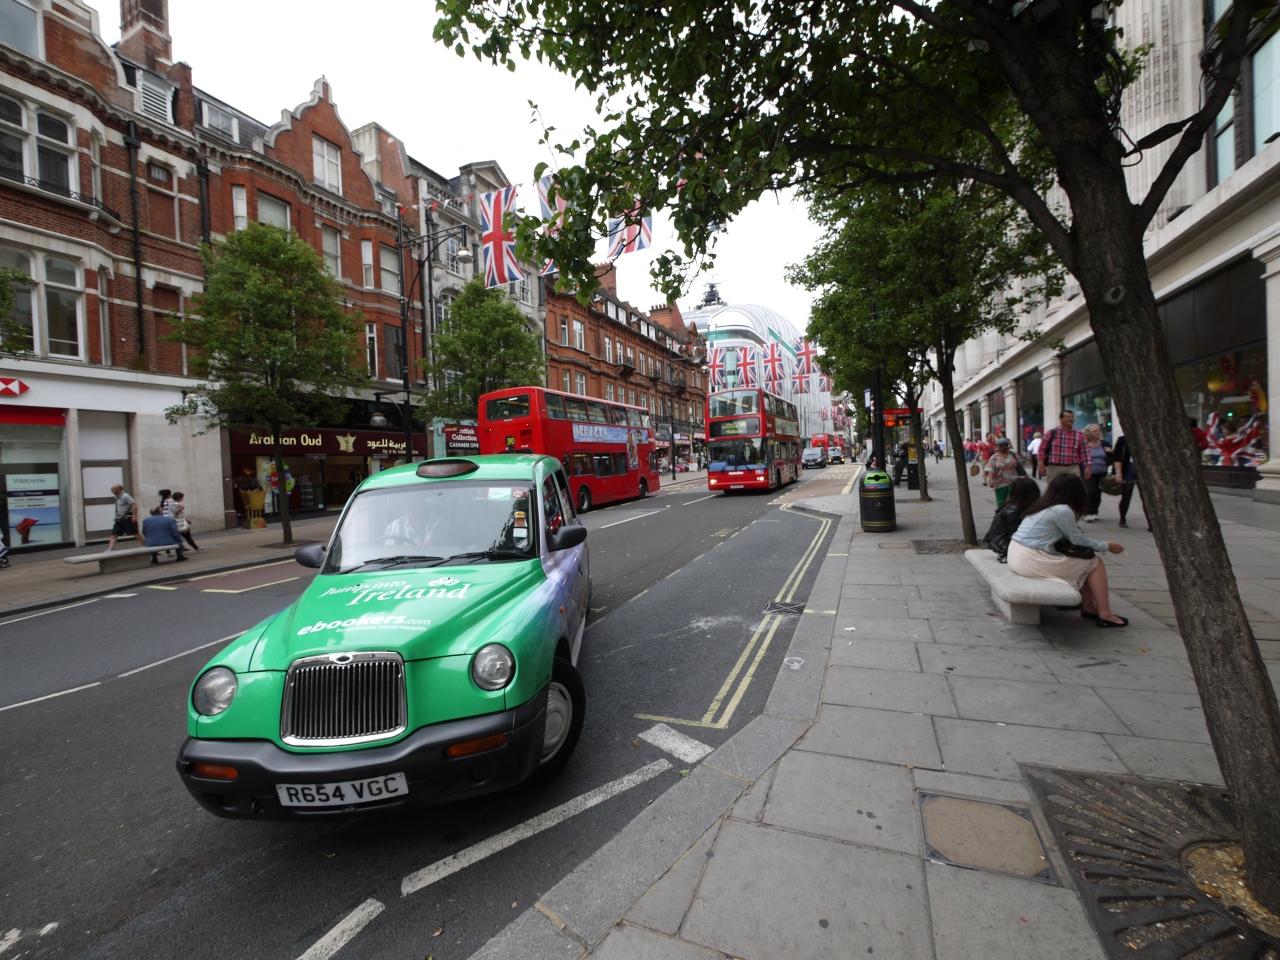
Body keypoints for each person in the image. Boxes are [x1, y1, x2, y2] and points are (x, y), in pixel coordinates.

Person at [1008, 474, 1127, 627]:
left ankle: (1089, 607)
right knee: (1096, 563)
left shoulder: (1044, 505)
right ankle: (1105, 614)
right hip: (1030, 559)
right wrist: (1108, 546)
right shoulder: (1062, 510)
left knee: (1084, 563)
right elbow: (1077, 539)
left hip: (1017, 554)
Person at [982, 476, 1040, 561]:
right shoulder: (1014, 510)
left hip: (1000, 542)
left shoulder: (1015, 505)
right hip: (1002, 545)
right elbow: (1015, 535)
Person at [1111, 435, 1151, 531]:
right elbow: (1117, 458)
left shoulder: (1148, 438)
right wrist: (1118, 474)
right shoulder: (1123, 440)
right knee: (1126, 496)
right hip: (1128, 470)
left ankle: (1151, 523)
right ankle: (1122, 518)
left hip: (1145, 470)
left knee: (1147, 499)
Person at [1038, 410, 1090, 484]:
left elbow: (1085, 453)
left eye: (1072, 417)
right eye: (1068, 417)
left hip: (1073, 468)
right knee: (1054, 489)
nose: (1071, 419)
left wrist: (1088, 467)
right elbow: (1041, 450)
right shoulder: (1051, 433)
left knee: (1073, 490)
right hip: (1054, 468)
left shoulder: (1079, 434)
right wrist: (1041, 465)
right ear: (1061, 419)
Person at [1082, 424, 1112, 522]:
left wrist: (1109, 452)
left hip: (1102, 472)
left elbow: (1112, 458)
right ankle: (1088, 512)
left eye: (1098, 430)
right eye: (1095, 431)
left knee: (1098, 494)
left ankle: (1094, 512)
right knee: (1091, 492)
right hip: (1088, 472)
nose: (1098, 432)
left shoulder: (1104, 443)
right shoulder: (1084, 444)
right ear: (1088, 433)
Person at [984, 437, 1023, 507]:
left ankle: (1012, 513)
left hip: (1014, 481)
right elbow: (990, 469)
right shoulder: (994, 457)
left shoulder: (1014, 454)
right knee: (1001, 502)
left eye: (1006, 445)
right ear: (997, 447)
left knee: (1014, 501)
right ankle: (1001, 513)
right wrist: (991, 480)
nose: (1004, 447)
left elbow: (1020, 464)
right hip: (1000, 482)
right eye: (1001, 445)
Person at [107, 483, 142, 551]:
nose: (112, 491)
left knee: (136, 533)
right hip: (119, 519)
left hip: (127, 518)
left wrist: (134, 516)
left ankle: (146, 546)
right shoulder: (117, 497)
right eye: (112, 489)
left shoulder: (125, 496)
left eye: (113, 489)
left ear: (119, 489)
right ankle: (109, 550)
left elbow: (134, 505)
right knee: (114, 534)